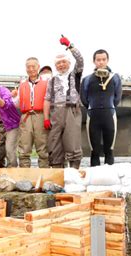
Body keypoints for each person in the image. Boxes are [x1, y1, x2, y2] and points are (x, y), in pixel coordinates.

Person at [44, 35, 84, 169]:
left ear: (68, 63)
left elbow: (80, 60)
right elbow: (47, 99)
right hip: (56, 112)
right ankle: (57, 171)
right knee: (54, 142)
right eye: (58, 63)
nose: (61, 65)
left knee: (72, 141)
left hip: (72, 110)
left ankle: (74, 173)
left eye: (63, 62)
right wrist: (45, 118)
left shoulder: (75, 74)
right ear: (55, 66)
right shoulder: (52, 80)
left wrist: (70, 46)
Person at [81, 49, 122, 166]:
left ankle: (111, 179)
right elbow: (83, 97)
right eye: (98, 60)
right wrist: (91, 106)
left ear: (107, 60)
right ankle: (93, 178)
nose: (101, 62)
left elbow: (117, 97)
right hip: (92, 115)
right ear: (94, 61)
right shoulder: (87, 79)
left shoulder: (115, 77)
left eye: (103, 59)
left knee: (109, 149)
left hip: (109, 114)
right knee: (94, 150)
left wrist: (109, 106)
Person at [15, 57, 50, 168]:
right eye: (28, 67)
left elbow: (49, 100)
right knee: (24, 147)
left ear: (38, 67)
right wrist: (13, 97)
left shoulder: (47, 83)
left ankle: (44, 174)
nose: (31, 69)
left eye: (33, 66)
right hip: (26, 117)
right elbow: (17, 103)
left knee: (42, 146)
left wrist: (46, 118)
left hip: (40, 115)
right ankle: (25, 175)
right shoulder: (22, 85)